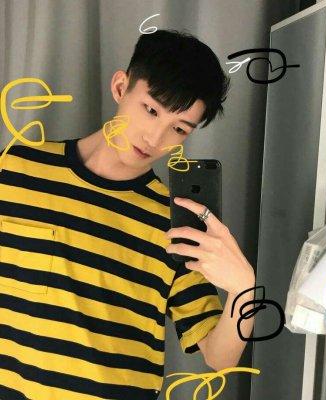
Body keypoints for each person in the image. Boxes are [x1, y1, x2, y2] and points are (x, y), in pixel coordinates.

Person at [0, 29, 255, 400]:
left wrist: (243, 288)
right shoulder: (17, 168)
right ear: (121, 87)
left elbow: (220, 357)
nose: (155, 138)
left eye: (178, 128)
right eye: (150, 110)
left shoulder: (175, 221)